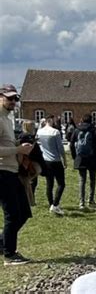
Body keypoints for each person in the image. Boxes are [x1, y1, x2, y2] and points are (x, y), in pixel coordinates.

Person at [0, 84, 33, 265]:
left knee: (23, 212)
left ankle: (3, 243)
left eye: (15, 98)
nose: (13, 101)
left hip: (11, 170)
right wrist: (17, 149)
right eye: (9, 98)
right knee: (12, 214)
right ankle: (9, 255)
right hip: (2, 171)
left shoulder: (7, 119)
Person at [69, 114, 96, 209]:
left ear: (82, 120)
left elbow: (71, 144)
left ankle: (81, 202)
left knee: (82, 180)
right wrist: (94, 153)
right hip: (92, 158)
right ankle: (91, 200)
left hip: (80, 158)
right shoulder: (94, 130)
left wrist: (74, 156)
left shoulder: (77, 130)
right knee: (92, 180)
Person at [36, 115, 68, 215]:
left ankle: (51, 204)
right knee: (61, 184)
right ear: (50, 121)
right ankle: (55, 204)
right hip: (56, 161)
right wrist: (65, 160)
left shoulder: (39, 132)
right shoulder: (55, 132)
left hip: (46, 160)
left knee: (49, 184)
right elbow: (60, 148)